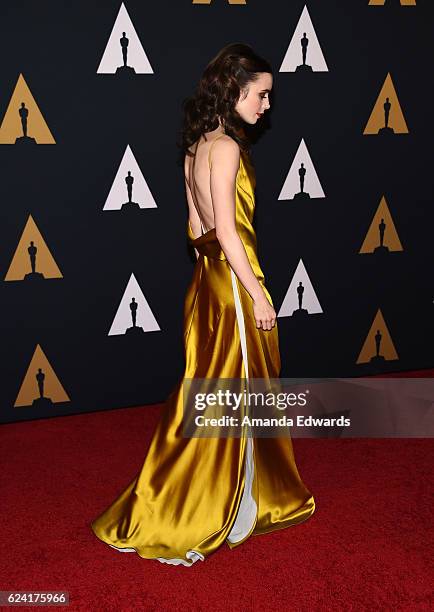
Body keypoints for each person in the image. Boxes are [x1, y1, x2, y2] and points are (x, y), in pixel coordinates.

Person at [91, 42, 315, 566]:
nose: (266, 107)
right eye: (261, 95)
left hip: (206, 281)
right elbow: (230, 232)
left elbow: (196, 228)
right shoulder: (229, 148)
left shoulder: (196, 147)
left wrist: (213, 273)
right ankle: (228, 509)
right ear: (235, 89)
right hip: (236, 285)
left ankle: (227, 497)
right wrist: (257, 294)